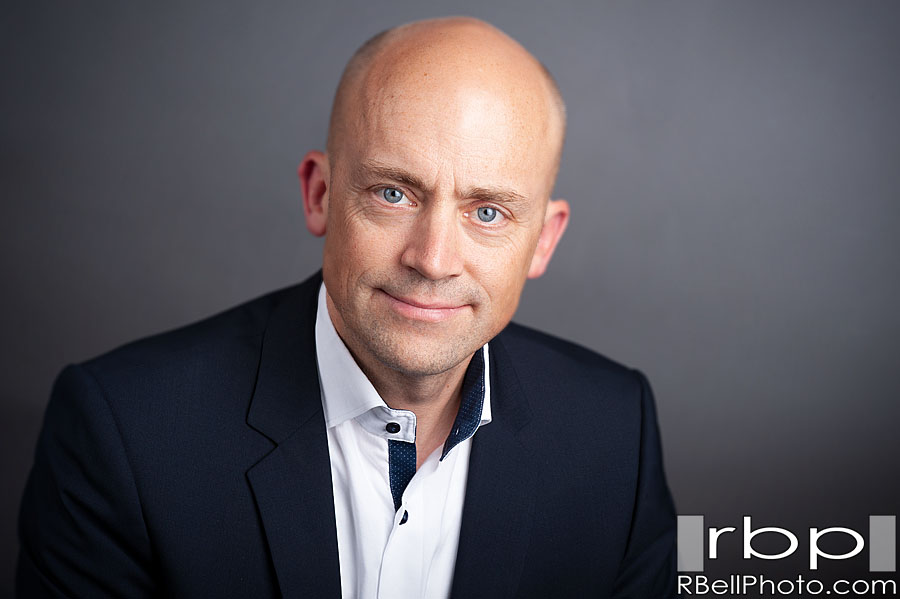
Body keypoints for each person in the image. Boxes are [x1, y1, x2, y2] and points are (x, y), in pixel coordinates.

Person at [17, 16, 678, 599]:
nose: (433, 259)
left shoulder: (617, 432)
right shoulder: (124, 432)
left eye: (487, 212)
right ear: (320, 194)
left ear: (543, 240)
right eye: (393, 193)